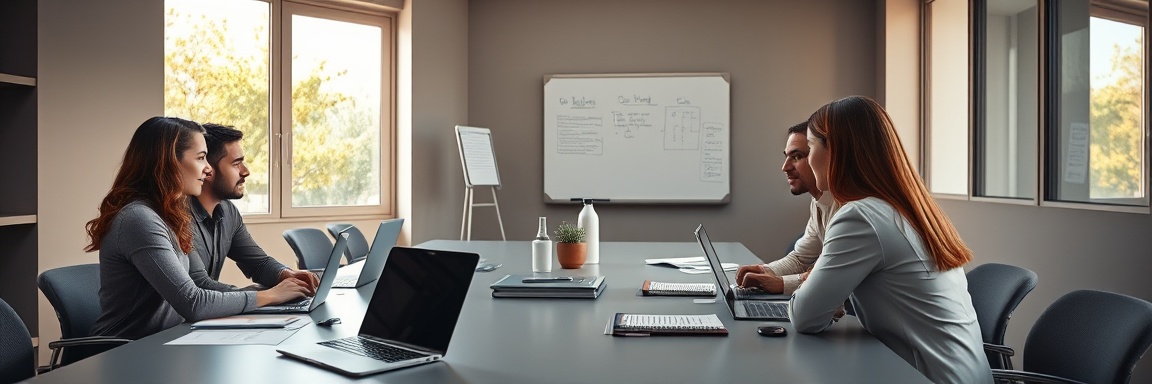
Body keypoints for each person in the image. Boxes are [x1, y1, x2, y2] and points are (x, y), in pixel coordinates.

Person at [790, 96, 991, 383]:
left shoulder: (860, 217)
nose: (807, 161)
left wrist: (812, 287)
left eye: (810, 148)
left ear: (834, 150)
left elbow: (805, 317)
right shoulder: (907, 209)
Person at [86, 117, 313, 339]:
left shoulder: (170, 214)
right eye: (201, 158)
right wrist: (270, 296)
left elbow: (199, 282)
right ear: (170, 162)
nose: (208, 169)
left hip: (168, 340)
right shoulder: (139, 219)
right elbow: (193, 301)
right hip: (123, 350)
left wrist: (283, 284)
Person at [187, 123, 318, 292]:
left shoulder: (228, 212)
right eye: (236, 164)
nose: (246, 171)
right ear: (207, 170)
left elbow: (258, 264)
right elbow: (199, 287)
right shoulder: (178, 217)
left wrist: (287, 275)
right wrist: (271, 295)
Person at [735, 122, 841, 295]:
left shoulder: (848, 210)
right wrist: (765, 271)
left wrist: (781, 283)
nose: (785, 167)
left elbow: (831, 277)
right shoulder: (819, 202)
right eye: (787, 157)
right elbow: (800, 258)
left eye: (797, 157)